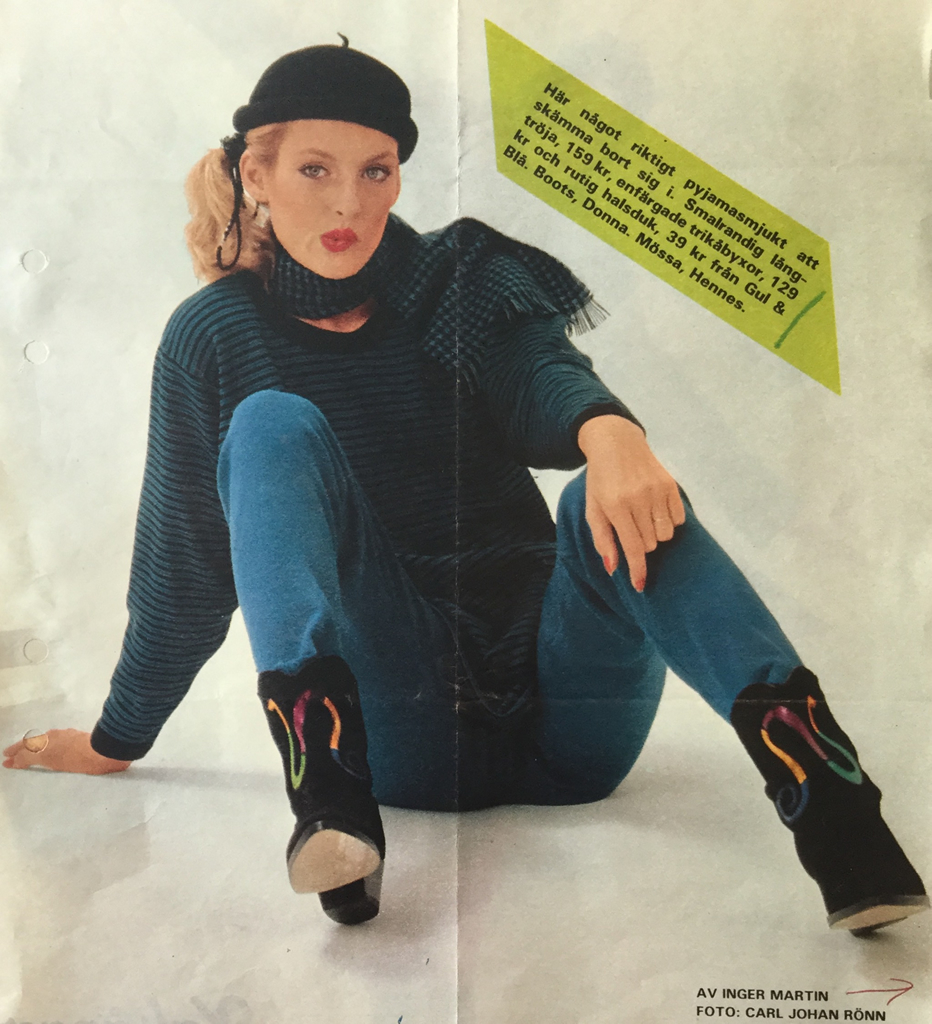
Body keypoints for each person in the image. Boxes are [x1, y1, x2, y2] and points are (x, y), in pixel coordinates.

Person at [3, 41, 928, 932]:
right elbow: (187, 566)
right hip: (404, 736)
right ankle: (329, 805)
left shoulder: (453, 279)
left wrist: (612, 434)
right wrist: (117, 739)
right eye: (315, 169)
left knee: (600, 497)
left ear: (397, 180)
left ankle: (838, 813)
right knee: (270, 423)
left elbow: (536, 374)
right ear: (257, 174)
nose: (349, 201)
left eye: (375, 171)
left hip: (573, 719)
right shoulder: (215, 334)